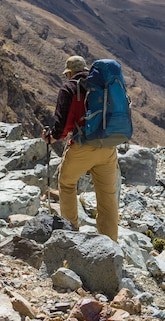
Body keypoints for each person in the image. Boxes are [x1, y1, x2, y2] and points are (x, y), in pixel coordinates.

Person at [42, 55, 119, 241]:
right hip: (108, 146)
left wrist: (51, 137)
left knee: (67, 184)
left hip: (83, 146)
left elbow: (62, 127)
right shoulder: (104, 85)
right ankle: (110, 244)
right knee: (107, 197)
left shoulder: (69, 88)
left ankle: (71, 234)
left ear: (69, 73)